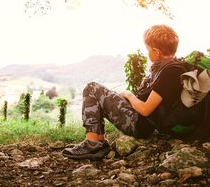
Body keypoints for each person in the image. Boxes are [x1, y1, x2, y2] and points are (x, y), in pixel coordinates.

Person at [62, 24, 186, 160]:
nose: (148, 52)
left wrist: (128, 95)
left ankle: (92, 144)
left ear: (156, 51)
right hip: (142, 121)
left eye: (148, 49)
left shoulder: (170, 73)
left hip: (140, 124)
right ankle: (98, 142)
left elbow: (146, 110)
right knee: (100, 94)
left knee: (92, 88)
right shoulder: (169, 67)